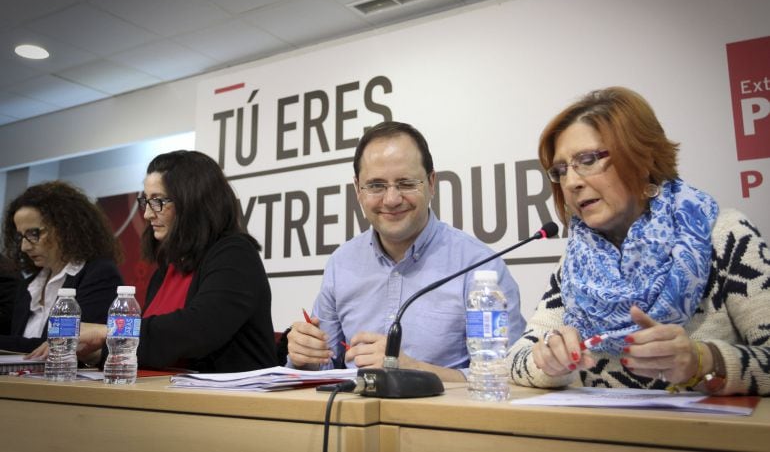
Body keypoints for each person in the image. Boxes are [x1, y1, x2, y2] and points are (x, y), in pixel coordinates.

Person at [508, 87, 770, 395]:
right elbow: (516, 360)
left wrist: (703, 361)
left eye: (588, 160)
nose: (572, 182)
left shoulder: (723, 235)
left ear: (642, 159)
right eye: (561, 170)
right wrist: (550, 363)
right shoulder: (578, 261)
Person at [287, 121, 526, 381]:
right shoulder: (341, 264)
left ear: (431, 183)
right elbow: (325, 366)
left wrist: (414, 370)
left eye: (406, 183)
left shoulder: (480, 266)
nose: (391, 199)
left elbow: (509, 375)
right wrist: (305, 355)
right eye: (376, 186)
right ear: (358, 190)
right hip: (354, 418)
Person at [39, 150, 278, 373]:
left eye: (158, 201)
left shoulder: (235, 253)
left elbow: (198, 330)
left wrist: (106, 332)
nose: (147, 214)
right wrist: (94, 354)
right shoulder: (166, 269)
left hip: (233, 406)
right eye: (146, 201)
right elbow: (154, 347)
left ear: (192, 202)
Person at [1, 181, 123, 352]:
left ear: (66, 228)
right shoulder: (28, 286)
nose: (25, 247)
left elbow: (68, 345)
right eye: (21, 236)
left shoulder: (99, 275)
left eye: (34, 234)